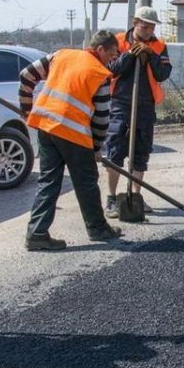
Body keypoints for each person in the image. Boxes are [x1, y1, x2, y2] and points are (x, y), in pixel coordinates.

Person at [19, 30, 123, 250]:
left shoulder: (60, 55)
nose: (113, 60)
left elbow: (26, 75)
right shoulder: (99, 73)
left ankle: (37, 233)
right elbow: (102, 118)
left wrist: (27, 111)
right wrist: (96, 148)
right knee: (86, 181)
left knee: (48, 181)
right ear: (100, 49)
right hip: (73, 133)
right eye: (112, 55)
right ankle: (97, 228)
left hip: (46, 127)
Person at [102, 7, 172, 219]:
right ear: (135, 22)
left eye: (152, 27)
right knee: (115, 150)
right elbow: (110, 69)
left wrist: (150, 56)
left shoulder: (159, 46)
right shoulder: (118, 41)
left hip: (145, 104)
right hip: (120, 103)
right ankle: (112, 198)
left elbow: (163, 74)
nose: (149, 30)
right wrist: (129, 56)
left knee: (141, 152)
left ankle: (135, 196)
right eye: (145, 26)